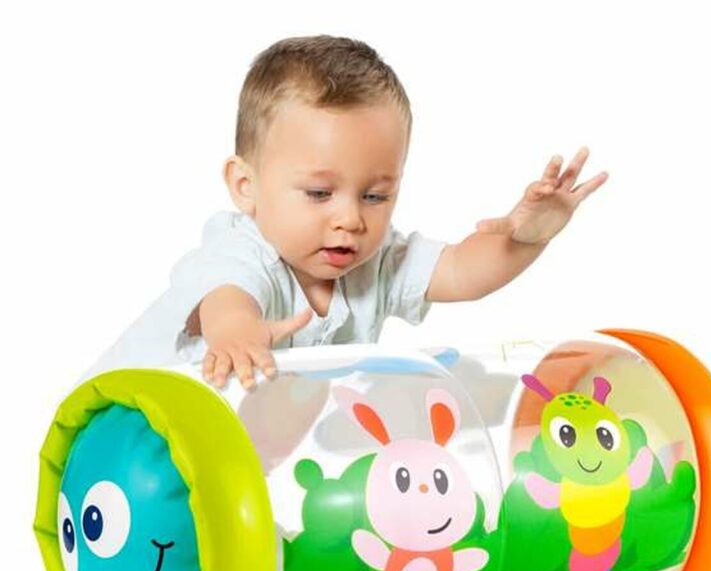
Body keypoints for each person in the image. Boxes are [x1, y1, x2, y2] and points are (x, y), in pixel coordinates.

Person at [88, 35, 607, 389]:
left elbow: (460, 271)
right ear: (246, 186)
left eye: (375, 196)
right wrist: (238, 332)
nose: (351, 219)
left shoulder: (374, 263)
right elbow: (227, 301)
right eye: (319, 193)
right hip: (125, 424)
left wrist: (528, 237)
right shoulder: (241, 250)